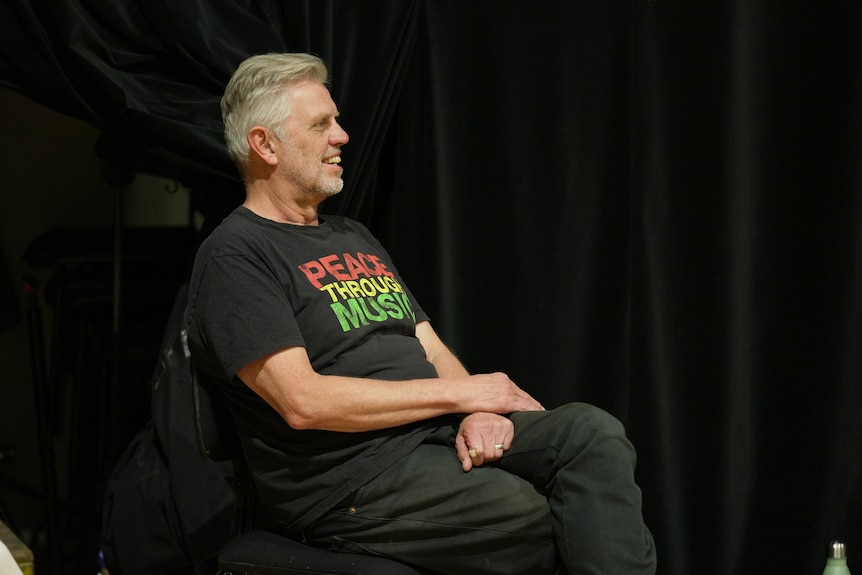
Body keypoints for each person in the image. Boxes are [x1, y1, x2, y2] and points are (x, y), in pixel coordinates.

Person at [186, 52, 656, 575]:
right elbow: (303, 402)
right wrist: (463, 394)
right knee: (529, 514)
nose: (342, 136)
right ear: (265, 144)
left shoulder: (352, 236)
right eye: (321, 124)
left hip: (428, 434)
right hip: (349, 480)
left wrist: (475, 411)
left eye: (337, 121)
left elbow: (429, 346)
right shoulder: (236, 255)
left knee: (592, 434)